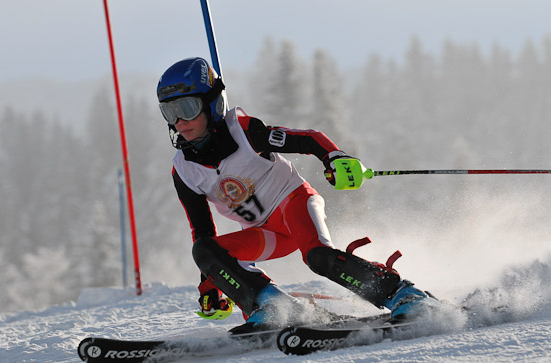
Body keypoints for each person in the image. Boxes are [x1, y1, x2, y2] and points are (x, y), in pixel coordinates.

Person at [156, 57, 437, 334]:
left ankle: (405, 295)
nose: (179, 121)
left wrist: (334, 158)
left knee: (318, 256)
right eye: (170, 112)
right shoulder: (184, 170)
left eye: (188, 108)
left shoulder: (244, 132)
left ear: (212, 104)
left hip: (293, 202)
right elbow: (203, 233)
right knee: (203, 250)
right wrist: (210, 281)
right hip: (263, 233)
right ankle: (273, 306)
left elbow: (309, 138)